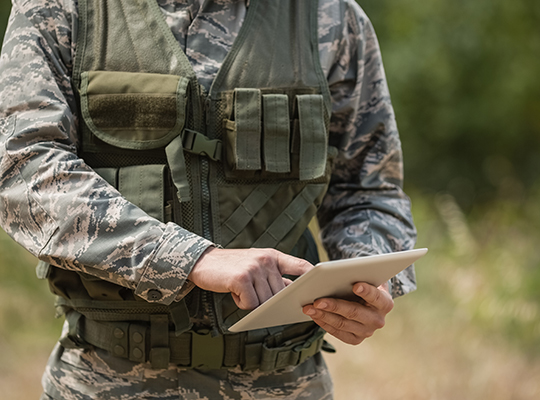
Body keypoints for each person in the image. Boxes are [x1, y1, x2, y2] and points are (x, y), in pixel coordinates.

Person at [0, 0, 417, 399]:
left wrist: (365, 283)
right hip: (105, 381)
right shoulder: (61, 6)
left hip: (285, 383)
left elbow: (368, 190)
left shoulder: (331, 17)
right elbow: (24, 172)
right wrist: (191, 259)